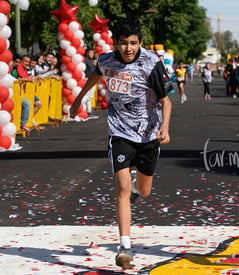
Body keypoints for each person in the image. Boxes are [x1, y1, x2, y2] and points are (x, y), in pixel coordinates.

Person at [69, 19, 172, 269]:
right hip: (120, 131)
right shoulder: (106, 61)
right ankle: (125, 247)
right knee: (122, 186)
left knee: (143, 190)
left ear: (140, 43)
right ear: (116, 43)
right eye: (124, 43)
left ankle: (137, 192)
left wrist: (164, 127)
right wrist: (78, 100)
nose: (128, 48)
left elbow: (166, 101)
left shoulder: (150, 63)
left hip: (148, 133)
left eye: (133, 43)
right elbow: (94, 77)